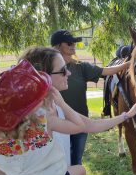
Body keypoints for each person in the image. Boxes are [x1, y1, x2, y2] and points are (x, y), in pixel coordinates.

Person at [0, 58, 136, 175]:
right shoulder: (46, 119)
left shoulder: (9, 124)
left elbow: (91, 125)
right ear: (45, 77)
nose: (69, 73)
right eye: (63, 70)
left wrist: (125, 116)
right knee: (79, 171)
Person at [51, 29, 131, 165]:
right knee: (58, 161)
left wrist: (128, 64)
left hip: (79, 122)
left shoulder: (81, 67)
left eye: (74, 43)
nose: (73, 45)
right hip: (56, 122)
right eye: (69, 43)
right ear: (58, 46)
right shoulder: (47, 69)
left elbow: (105, 71)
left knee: (76, 160)